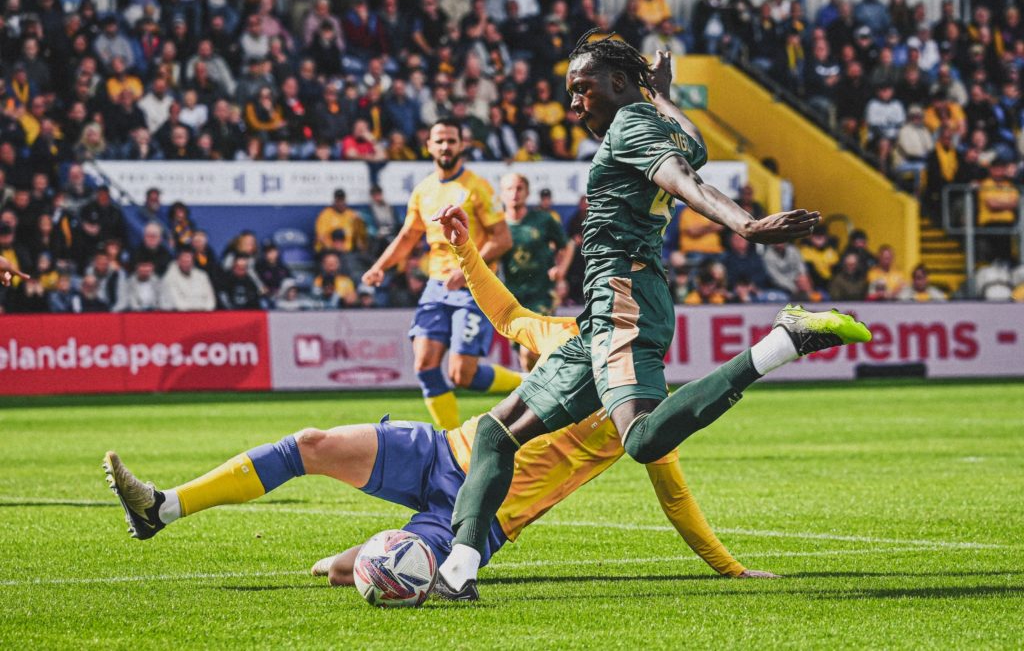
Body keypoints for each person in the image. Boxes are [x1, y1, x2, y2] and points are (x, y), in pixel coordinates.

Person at [433, 34, 871, 600]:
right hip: (604, 312)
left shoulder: (629, 128)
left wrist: (744, 224)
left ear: (618, 84)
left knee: (639, 440)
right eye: (570, 92)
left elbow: (687, 182)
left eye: (582, 89)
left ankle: (781, 343)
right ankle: (458, 571)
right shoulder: (650, 121)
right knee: (495, 434)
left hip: (624, 297)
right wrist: (662, 94)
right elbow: (692, 147)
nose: (574, 104)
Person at [101, 231, 778, 585]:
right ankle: (162, 509)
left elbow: (676, 500)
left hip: (478, 521)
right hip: (442, 449)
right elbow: (509, 311)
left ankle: (362, 558)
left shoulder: (643, 408)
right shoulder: (564, 338)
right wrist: (462, 250)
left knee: (350, 574)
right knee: (311, 441)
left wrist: (731, 569)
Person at [361, 119, 516, 430]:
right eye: (440, 141)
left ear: (462, 145)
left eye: (451, 141)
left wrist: (466, 268)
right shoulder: (424, 190)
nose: (446, 147)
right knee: (425, 365)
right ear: (429, 146)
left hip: (472, 286)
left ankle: (525, 381)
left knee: (463, 375)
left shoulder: (477, 187)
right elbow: (407, 237)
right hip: (436, 286)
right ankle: (451, 440)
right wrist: (380, 266)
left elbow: (502, 239)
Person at [499, 174, 573, 370]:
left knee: (531, 349)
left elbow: (568, 246)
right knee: (525, 356)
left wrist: (561, 273)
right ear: (502, 194)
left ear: (527, 192)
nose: (515, 193)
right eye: (510, 189)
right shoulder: (497, 226)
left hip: (542, 294)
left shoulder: (542, 220)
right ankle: (536, 395)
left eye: (519, 188)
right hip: (511, 298)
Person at [160, 246, 215, 311]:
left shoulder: (202, 276)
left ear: (193, 262)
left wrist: (203, 309)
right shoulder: (169, 277)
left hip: (202, 314)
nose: (186, 264)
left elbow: (211, 302)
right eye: (184, 261)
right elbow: (179, 305)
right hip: (176, 315)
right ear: (178, 261)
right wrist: (200, 307)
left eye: (189, 261)